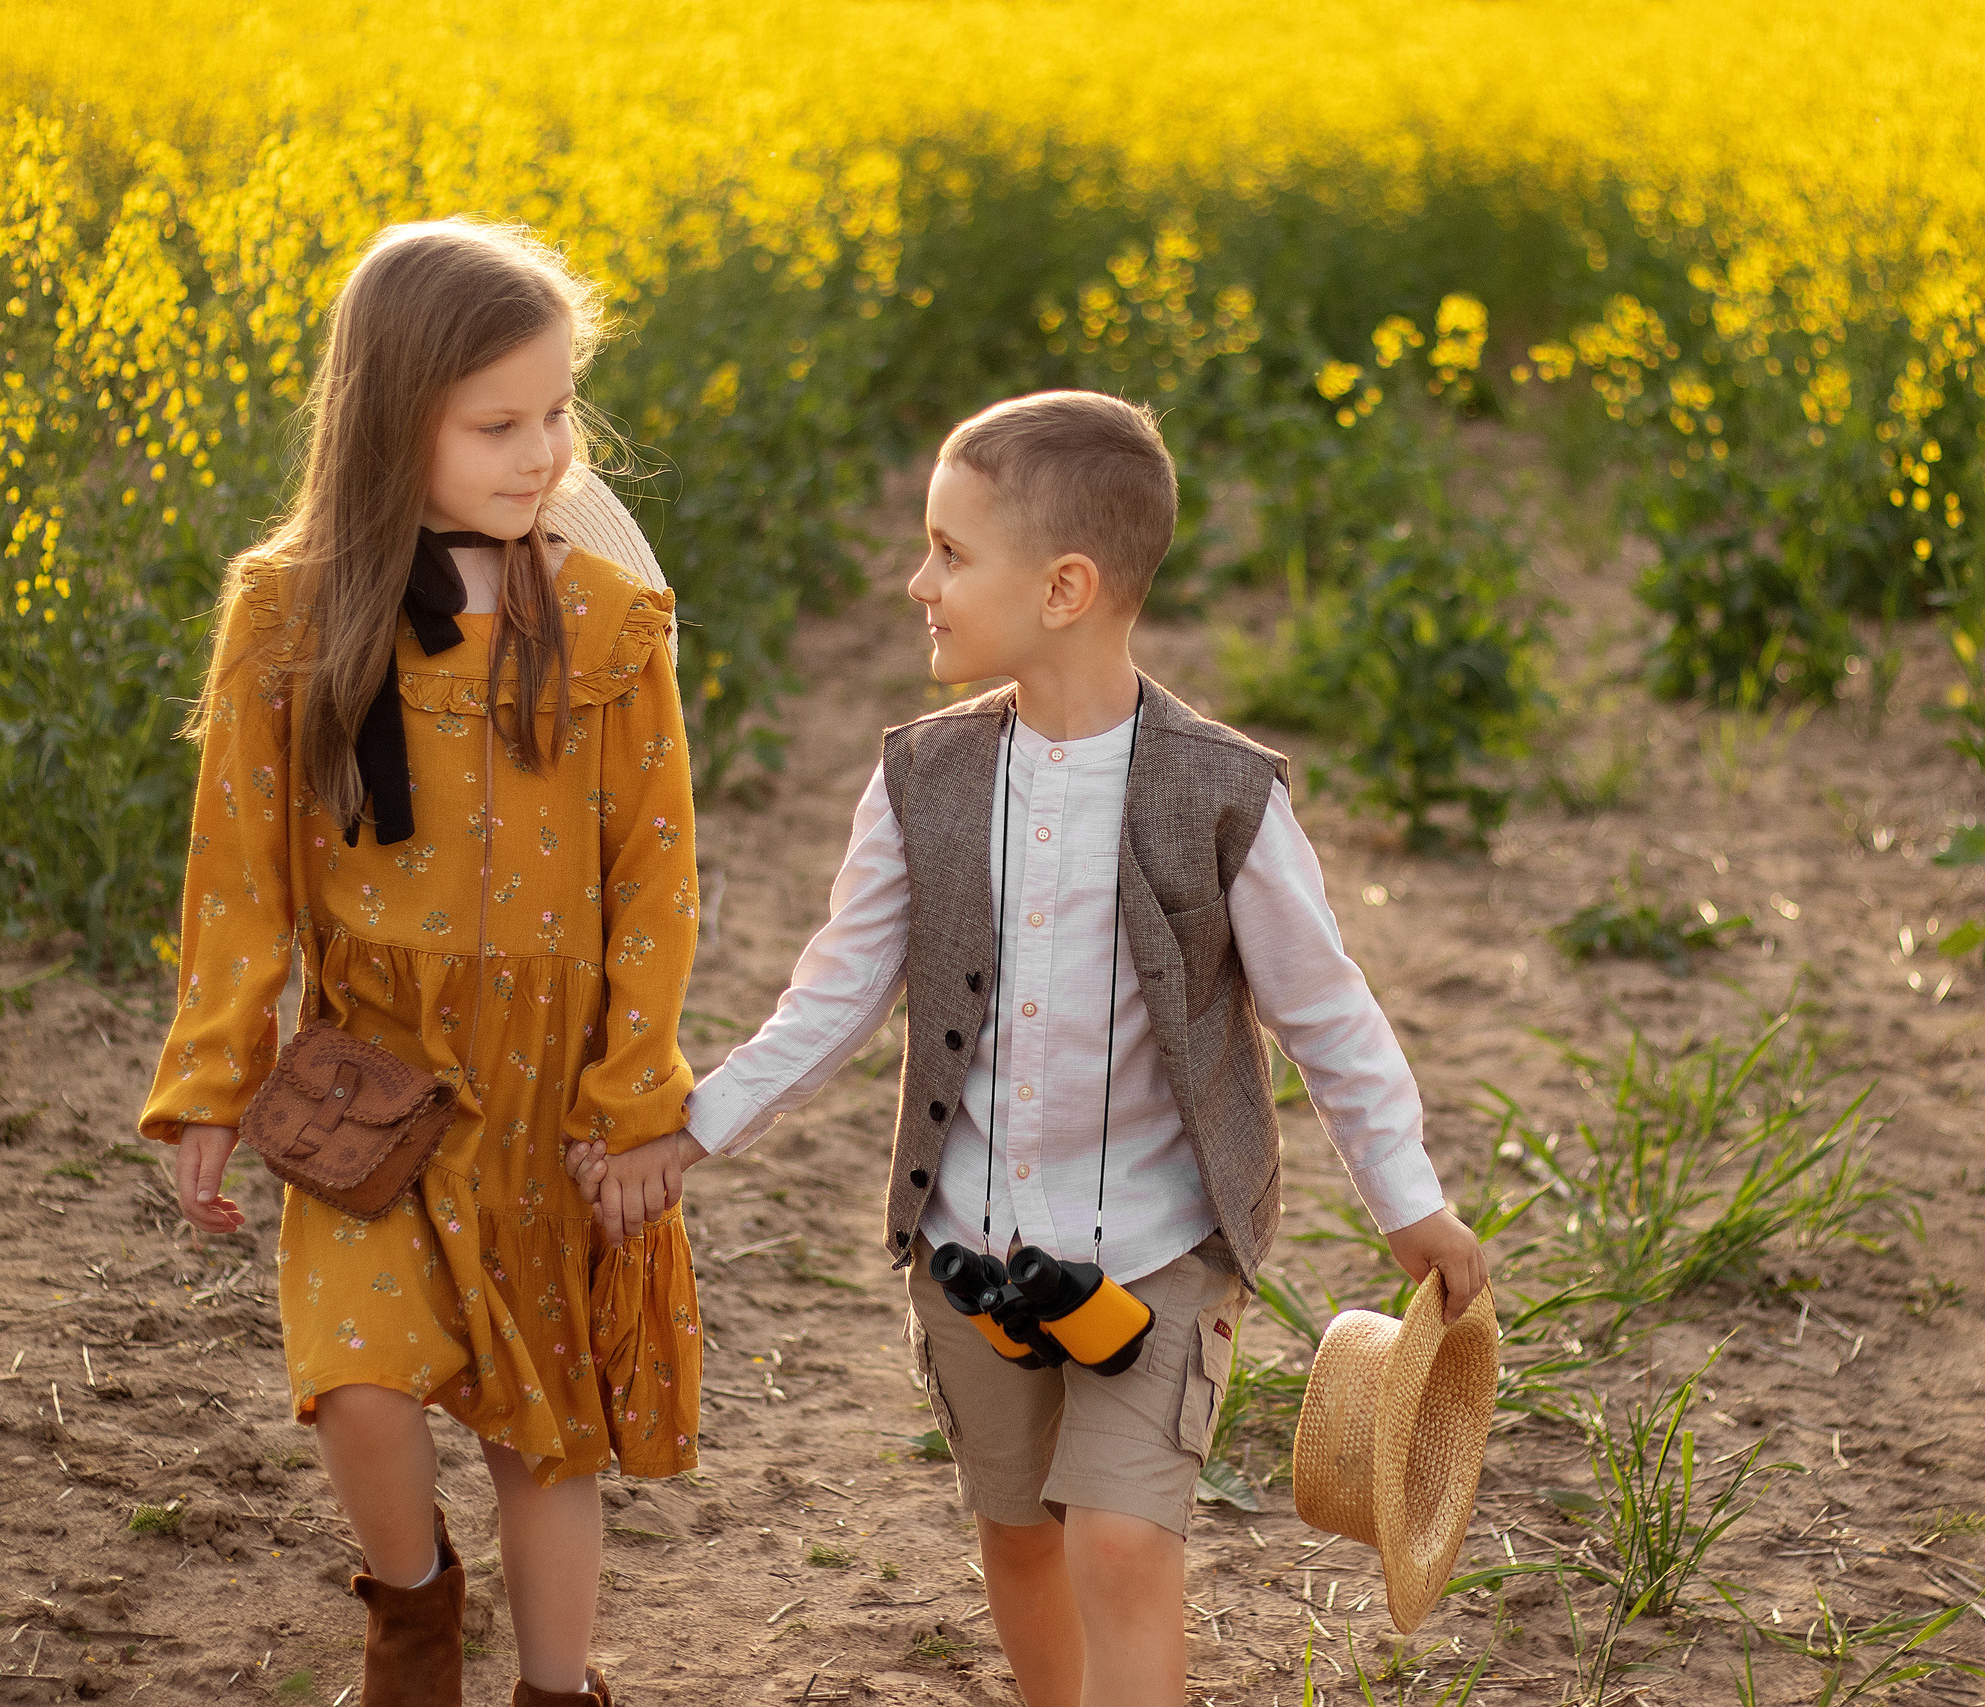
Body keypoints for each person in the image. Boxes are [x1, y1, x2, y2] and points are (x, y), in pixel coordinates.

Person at [572, 390, 1488, 1707]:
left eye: (950, 552)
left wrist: (1409, 1202)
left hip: (1166, 1249)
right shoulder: (920, 782)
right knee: (1018, 1533)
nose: (916, 581)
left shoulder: (1222, 798)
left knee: (1121, 1542)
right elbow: (830, 999)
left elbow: (1326, 1011)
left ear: (1064, 587)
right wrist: (690, 1126)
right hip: (971, 1259)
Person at [139, 219, 703, 1707]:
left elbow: (654, 875)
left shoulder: (600, 621)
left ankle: (558, 1688)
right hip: (371, 1080)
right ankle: (411, 1613)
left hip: (546, 1093)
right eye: (498, 424)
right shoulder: (288, 609)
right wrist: (214, 1074)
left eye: (558, 411)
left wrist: (633, 1084)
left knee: (543, 1428)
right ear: (396, 421)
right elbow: (242, 869)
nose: (545, 453)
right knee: (357, 1388)